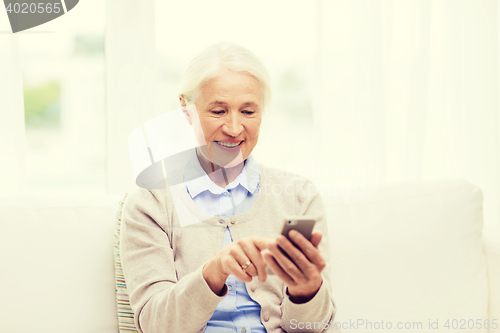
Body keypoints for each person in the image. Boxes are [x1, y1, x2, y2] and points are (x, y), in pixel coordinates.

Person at [120, 42, 336, 333]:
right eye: (218, 111)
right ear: (186, 109)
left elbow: (313, 327)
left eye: (248, 112)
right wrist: (214, 271)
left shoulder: (298, 196)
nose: (234, 128)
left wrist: (307, 291)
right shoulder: (150, 204)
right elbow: (157, 326)